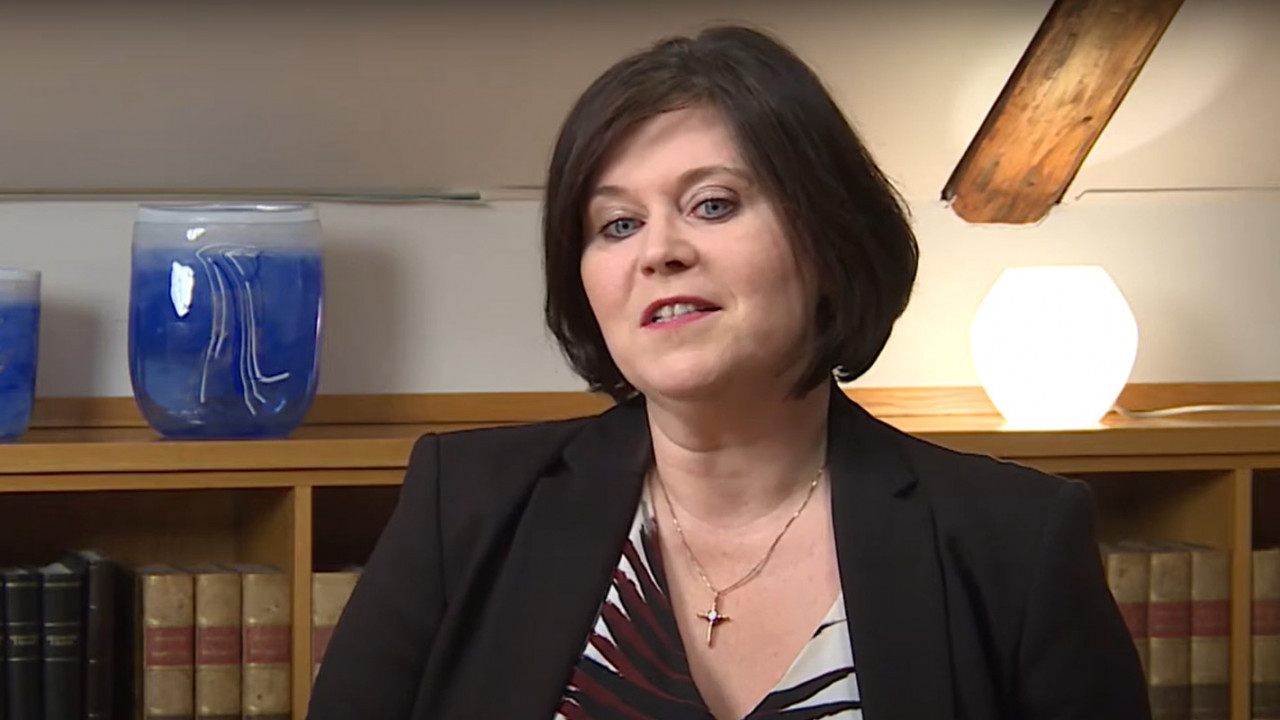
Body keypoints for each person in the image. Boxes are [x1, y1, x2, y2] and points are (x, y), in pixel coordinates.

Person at [307, 24, 1149, 720]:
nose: (660, 252)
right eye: (617, 224)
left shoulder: (1016, 542)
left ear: (828, 237)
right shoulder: (465, 504)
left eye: (712, 204)